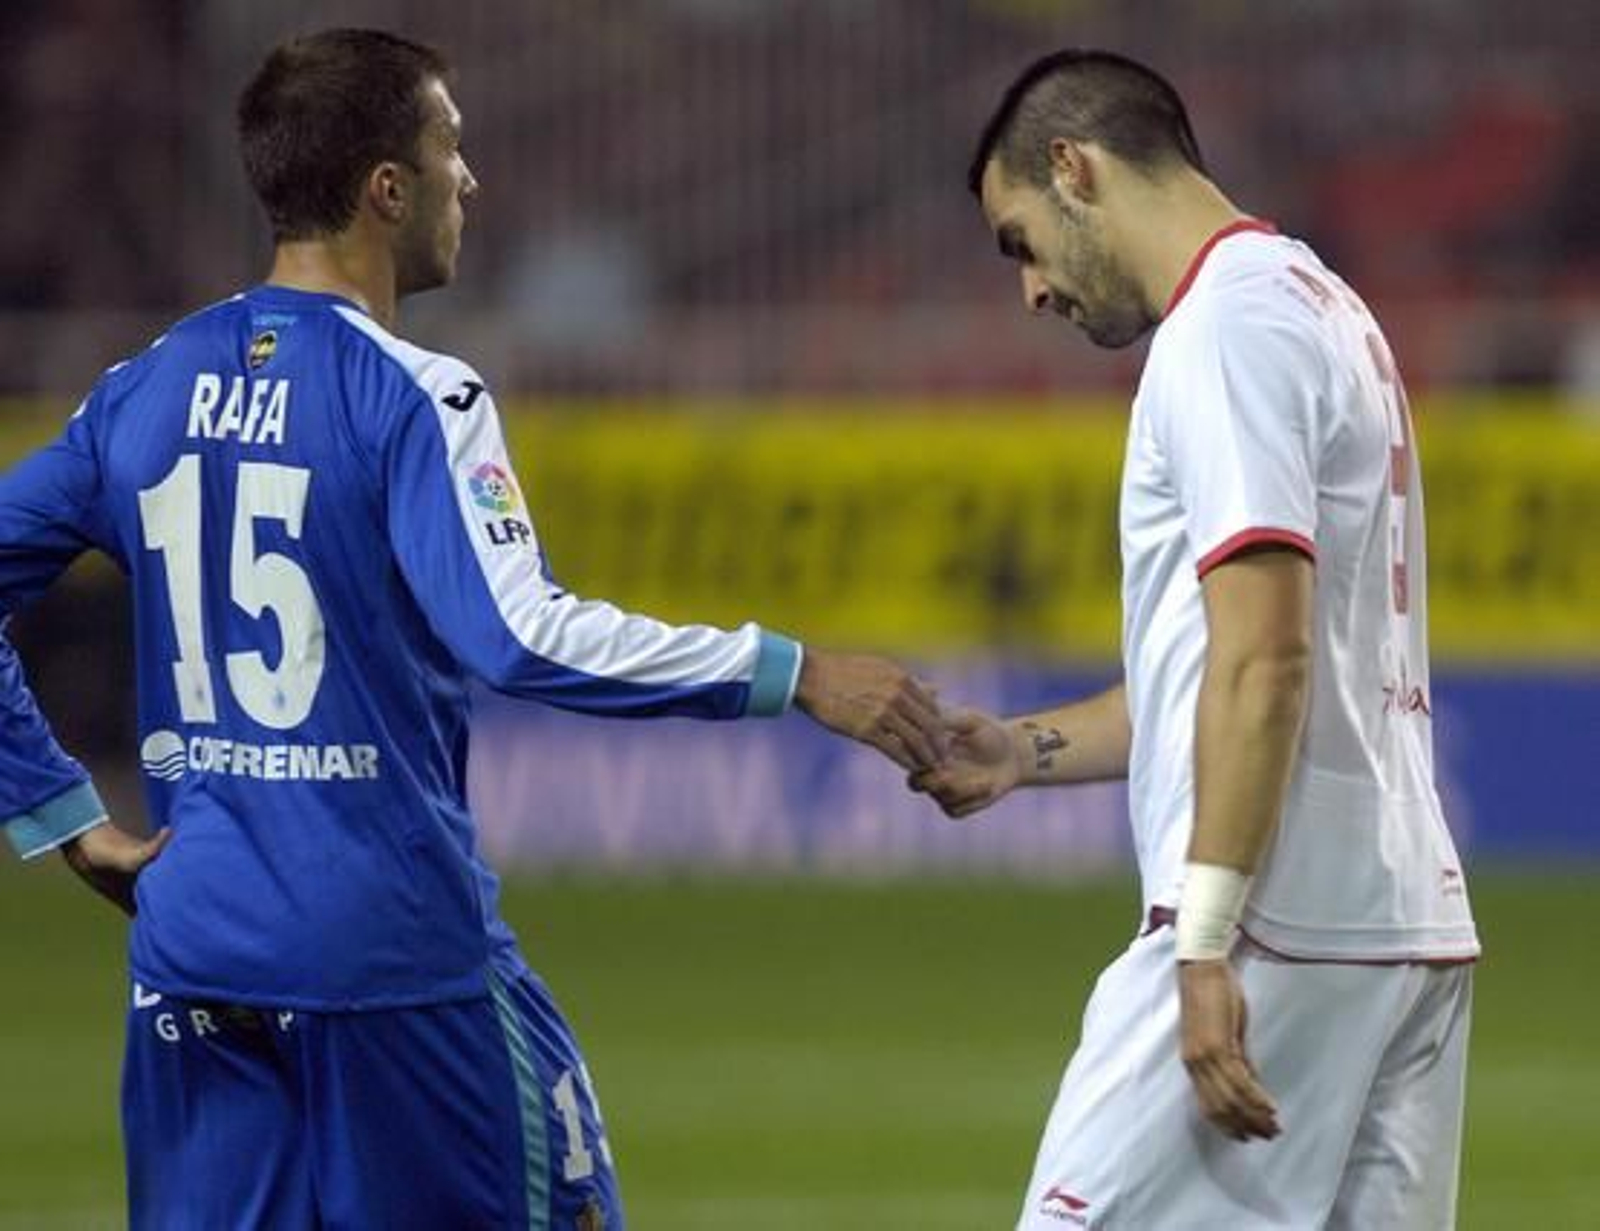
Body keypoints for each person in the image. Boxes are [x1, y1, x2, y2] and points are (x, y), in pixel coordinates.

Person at [0, 28, 946, 1231]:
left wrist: (65, 820)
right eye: (451, 146)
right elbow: (522, 637)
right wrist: (791, 672)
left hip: (194, 952)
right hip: (388, 961)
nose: (472, 180)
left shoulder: (146, 385)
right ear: (385, 191)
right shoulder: (417, 396)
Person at [913, 50, 1479, 1229]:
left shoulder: (1224, 330)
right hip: (1394, 930)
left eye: (1018, 240)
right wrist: (1023, 750)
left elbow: (1264, 658)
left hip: (1274, 930)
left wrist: (1206, 941)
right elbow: (1234, 664)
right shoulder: (1321, 306)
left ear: (1073, 170)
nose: (1029, 291)